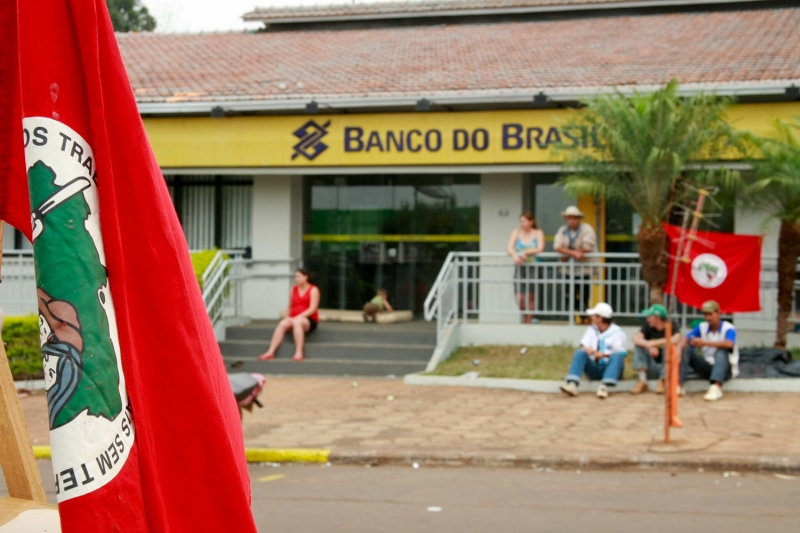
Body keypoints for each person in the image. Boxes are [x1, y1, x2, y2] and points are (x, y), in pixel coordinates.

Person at [560, 303, 628, 399]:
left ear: (600, 318)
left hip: (611, 369)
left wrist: (604, 355)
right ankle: (572, 384)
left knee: (617, 356)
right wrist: (587, 349)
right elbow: (583, 345)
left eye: (594, 315)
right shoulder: (592, 329)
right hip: (595, 367)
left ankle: (605, 387)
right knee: (579, 352)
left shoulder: (617, 332)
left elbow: (622, 354)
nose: (591, 317)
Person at [679, 300, 739, 402]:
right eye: (705, 315)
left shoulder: (729, 328)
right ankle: (679, 385)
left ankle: (716, 387)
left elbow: (729, 344)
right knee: (686, 349)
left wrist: (705, 343)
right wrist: (678, 351)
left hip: (725, 368)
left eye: (710, 314)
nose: (708, 318)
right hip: (707, 366)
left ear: (718, 313)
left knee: (721, 351)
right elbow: (686, 338)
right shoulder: (702, 327)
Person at [259, 268, 320, 362]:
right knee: (283, 323)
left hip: (308, 319)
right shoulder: (293, 289)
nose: (297, 279)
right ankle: (270, 352)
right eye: (295, 277)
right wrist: (287, 317)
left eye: (299, 276)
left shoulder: (313, 289)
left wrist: (300, 316)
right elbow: (290, 306)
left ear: (306, 277)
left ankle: (299, 352)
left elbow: (312, 308)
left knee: (297, 322)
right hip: (293, 317)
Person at [554, 206, 598, 320]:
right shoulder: (562, 230)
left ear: (578, 219)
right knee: (569, 295)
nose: (571, 220)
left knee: (584, 295)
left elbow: (587, 247)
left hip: (585, 269)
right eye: (569, 218)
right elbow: (557, 246)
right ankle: (572, 319)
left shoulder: (587, 229)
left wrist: (567, 252)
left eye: (574, 218)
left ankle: (584, 318)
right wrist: (574, 253)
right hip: (569, 270)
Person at [630, 304, 681, 395]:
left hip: (667, 367)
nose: (647, 319)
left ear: (657, 318)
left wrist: (654, 343)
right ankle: (642, 381)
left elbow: (676, 339)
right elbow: (635, 338)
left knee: (669, 346)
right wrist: (648, 345)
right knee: (639, 345)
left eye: (650, 317)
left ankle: (663, 380)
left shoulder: (671, 327)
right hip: (651, 366)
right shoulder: (648, 327)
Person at [507, 212, 545, 324]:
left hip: (533, 266)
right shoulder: (516, 232)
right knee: (519, 297)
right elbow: (510, 247)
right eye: (521, 221)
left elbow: (540, 248)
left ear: (531, 222)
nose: (522, 224)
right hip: (520, 267)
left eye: (524, 221)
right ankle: (526, 315)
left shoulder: (538, 232)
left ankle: (528, 320)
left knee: (530, 295)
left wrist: (526, 253)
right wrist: (515, 255)